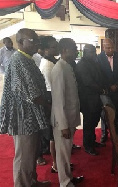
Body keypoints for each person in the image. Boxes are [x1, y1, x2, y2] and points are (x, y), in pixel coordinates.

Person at [0, 28, 51, 187]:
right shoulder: (19, 61)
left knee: (31, 153)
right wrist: (50, 105)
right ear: (20, 42)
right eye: (32, 40)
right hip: (23, 117)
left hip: (30, 115)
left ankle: (32, 182)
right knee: (24, 155)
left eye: (36, 40)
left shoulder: (27, 58)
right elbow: (33, 94)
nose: (36, 43)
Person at [51, 38, 83, 186]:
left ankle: (68, 178)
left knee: (66, 152)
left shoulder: (67, 66)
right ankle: (64, 183)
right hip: (62, 121)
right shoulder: (59, 69)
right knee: (63, 154)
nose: (76, 51)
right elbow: (58, 101)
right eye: (73, 48)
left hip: (70, 117)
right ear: (64, 50)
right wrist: (63, 125)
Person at [76, 44, 106, 156]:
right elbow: (88, 82)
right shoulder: (82, 65)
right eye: (91, 52)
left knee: (94, 121)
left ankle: (92, 141)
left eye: (94, 52)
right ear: (85, 52)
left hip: (95, 98)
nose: (94, 54)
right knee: (89, 123)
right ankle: (88, 146)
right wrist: (101, 90)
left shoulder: (93, 62)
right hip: (87, 99)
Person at [97, 38, 118, 143]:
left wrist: (117, 84)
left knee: (116, 110)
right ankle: (104, 133)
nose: (111, 49)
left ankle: (116, 132)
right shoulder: (98, 58)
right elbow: (99, 75)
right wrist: (109, 86)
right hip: (105, 90)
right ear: (104, 48)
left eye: (112, 47)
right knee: (105, 113)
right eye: (108, 47)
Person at [39, 36, 59, 172]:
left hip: (53, 98)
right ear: (46, 49)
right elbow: (53, 87)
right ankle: (56, 165)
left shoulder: (52, 61)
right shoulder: (47, 65)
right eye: (53, 46)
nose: (56, 48)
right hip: (51, 99)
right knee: (53, 135)